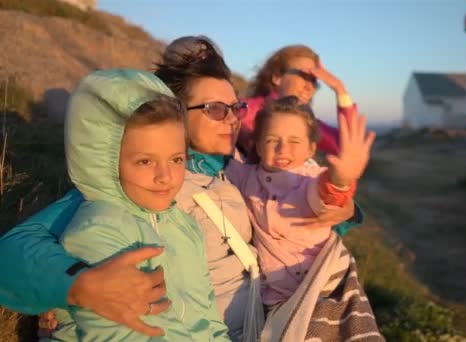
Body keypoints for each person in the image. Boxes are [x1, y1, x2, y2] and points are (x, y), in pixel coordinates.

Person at [0, 36, 360, 341]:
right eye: (216, 109)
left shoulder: (238, 165)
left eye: (235, 107)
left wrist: (341, 208)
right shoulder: (144, 181)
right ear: (175, 112)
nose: (233, 119)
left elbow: (285, 207)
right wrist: (76, 286)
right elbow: (15, 250)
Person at [53, 68, 229, 340]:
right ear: (105, 162)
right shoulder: (96, 234)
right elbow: (125, 334)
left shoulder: (185, 226)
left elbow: (210, 318)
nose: (166, 177)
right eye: (145, 161)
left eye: (176, 159)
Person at [225, 96, 374, 308]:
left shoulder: (309, 180)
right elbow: (214, 160)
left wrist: (341, 181)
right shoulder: (246, 176)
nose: (283, 149)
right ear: (257, 146)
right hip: (274, 299)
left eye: (294, 141)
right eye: (271, 140)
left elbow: (326, 195)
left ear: (311, 149)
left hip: (323, 291)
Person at [240, 44, 356, 158]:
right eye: (304, 76)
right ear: (277, 78)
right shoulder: (244, 109)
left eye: (314, 81)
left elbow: (348, 147)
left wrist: (340, 89)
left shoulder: (306, 122)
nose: (310, 87)